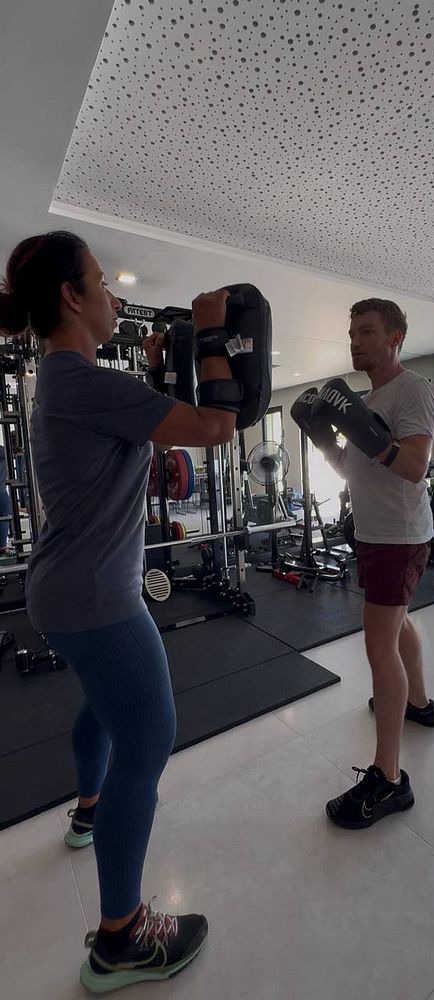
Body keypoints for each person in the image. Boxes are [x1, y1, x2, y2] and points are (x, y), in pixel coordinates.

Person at [0, 230, 244, 993]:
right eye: (101, 284)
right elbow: (216, 428)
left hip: (70, 589)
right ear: (72, 298)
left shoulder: (69, 379)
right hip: (96, 597)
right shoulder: (79, 381)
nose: (113, 296)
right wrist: (210, 336)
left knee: (103, 710)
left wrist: (160, 366)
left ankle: (86, 811)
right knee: (150, 738)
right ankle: (122, 938)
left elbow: (150, 420)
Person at [291, 298, 434, 830]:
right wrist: (324, 436)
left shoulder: (412, 390)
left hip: (398, 538)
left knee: (379, 646)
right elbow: (350, 469)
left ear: (395, 337)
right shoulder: (370, 396)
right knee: (398, 626)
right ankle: (418, 704)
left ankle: (390, 779)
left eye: (369, 332)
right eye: (352, 332)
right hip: (377, 535)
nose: (357, 341)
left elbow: (416, 467)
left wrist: (364, 427)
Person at [0, 443, 13, 556]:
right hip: (1, 491)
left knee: (5, 516)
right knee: (5, 516)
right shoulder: (2, 452)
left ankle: (2, 546)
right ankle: (1, 547)